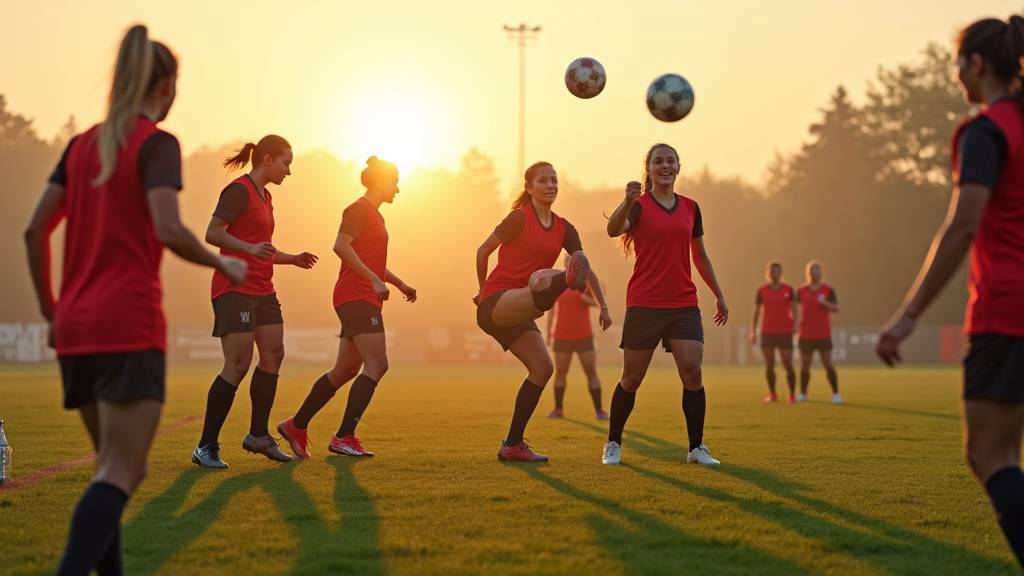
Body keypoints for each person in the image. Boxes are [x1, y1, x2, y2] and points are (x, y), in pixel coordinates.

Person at [23, 25, 246, 575]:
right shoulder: (156, 144)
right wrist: (222, 261)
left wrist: (53, 313)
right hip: (127, 324)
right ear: (166, 86)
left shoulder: (81, 146)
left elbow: (34, 232)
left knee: (109, 468)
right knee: (124, 471)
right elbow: (169, 228)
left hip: (76, 327)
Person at [877, 15, 1024, 569]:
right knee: (1005, 453)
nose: (956, 73)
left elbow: (963, 226)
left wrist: (909, 314)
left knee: (989, 455)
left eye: (958, 61)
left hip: (1007, 311)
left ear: (977, 65)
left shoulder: (986, 132)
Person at [192, 135, 318, 468]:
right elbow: (212, 232)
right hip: (234, 288)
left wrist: (293, 258)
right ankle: (206, 447)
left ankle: (258, 436)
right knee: (237, 364)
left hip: (263, 289)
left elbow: (263, 245)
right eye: (286, 163)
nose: (288, 171)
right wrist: (247, 250)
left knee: (274, 353)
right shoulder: (239, 191)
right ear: (266, 160)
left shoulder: (267, 197)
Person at [278, 156, 416, 458]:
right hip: (356, 295)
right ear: (381, 181)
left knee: (346, 369)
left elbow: (372, 260)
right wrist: (374, 281)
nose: (398, 189)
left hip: (361, 295)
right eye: (395, 182)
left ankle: (295, 425)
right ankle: (344, 436)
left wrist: (398, 283)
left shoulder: (376, 216)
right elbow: (340, 246)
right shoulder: (358, 209)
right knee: (377, 364)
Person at [475, 161, 612, 462]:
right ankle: (562, 279)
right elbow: (481, 251)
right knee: (541, 280)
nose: (550, 185)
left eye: (554, 180)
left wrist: (603, 304)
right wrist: (482, 289)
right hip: (497, 302)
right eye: (543, 181)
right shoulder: (518, 219)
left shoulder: (565, 228)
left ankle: (512, 445)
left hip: (524, 307)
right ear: (529, 188)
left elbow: (585, 269)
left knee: (542, 369)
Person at [602, 143, 729, 466]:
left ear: (678, 166)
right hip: (645, 303)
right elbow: (612, 229)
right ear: (649, 168)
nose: (665, 166)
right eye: (658, 161)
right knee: (632, 378)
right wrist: (627, 200)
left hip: (683, 303)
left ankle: (696, 448)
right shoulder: (639, 206)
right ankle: (613, 443)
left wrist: (718, 293)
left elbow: (699, 254)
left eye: (670, 161)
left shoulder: (690, 207)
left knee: (692, 372)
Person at [545, 257, 609, 420]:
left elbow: (597, 302)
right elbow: (551, 311)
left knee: (591, 372)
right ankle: (558, 409)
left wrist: (582, 297)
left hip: (584, 335)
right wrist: (548, 334)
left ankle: (599, 410)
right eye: (569, 264)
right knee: (560, 372)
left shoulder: (586, 283)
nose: (571, 267)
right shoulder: (558, 284)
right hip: (561, 335)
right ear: (565, 265)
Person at [750, 262, 799, 403]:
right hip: (767, 332)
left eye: (777, 271)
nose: (774, 274)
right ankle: (772, 394)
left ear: (781, 273)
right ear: (768, 273)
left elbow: (795, 309)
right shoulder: (762, 290)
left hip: (785, 332)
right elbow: (757, 311)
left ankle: (792, 394)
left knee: (787, 364)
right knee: (769, 365)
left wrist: (795, 324)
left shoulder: (789, 289)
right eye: (772, 271)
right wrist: (753, 331)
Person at [796, 261, 841, 404]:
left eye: (817, 270)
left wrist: (825, 304)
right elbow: (795, 309)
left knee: (828, 364)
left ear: (822, 273)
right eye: (811, 270)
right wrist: (796, 322)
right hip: (806, 333)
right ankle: (803, 393)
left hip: (823, 334)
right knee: (805, 365)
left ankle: (835, 394)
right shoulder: (801, 290)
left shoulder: (828, 290)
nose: (814, 272)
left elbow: (836, 308)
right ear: (807, 272)